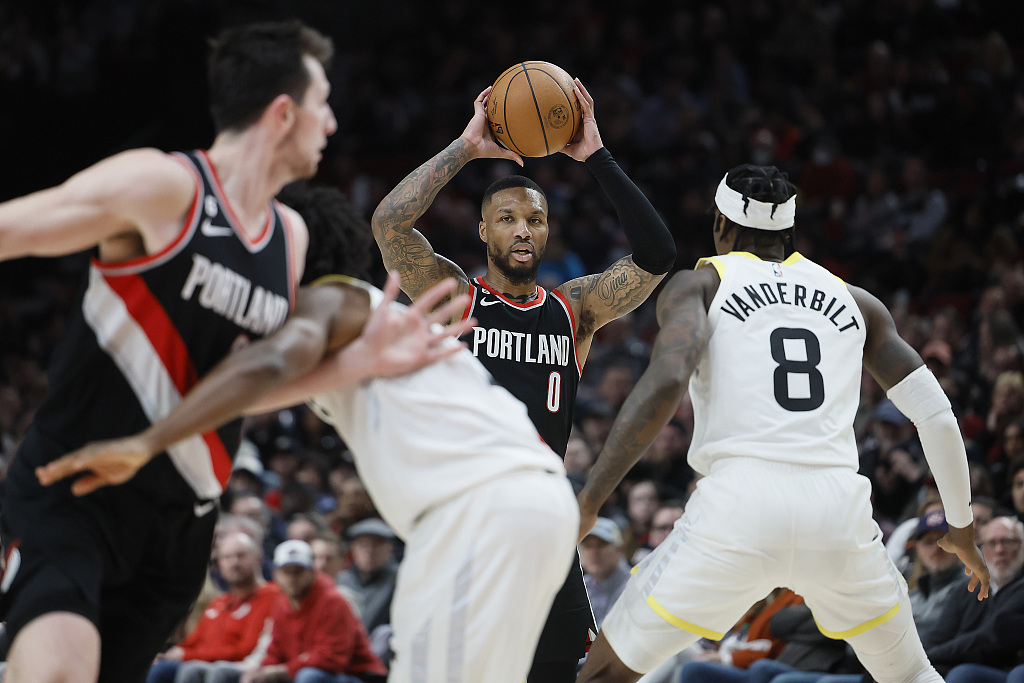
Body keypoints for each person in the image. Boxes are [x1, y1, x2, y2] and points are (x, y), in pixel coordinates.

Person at [36, 184, 580, 683]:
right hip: (534, 503)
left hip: (478, 508)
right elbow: (256, 390)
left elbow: (269, 365)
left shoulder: (338, 298)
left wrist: (145, 443)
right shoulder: (354, 324)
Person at [0, 20, 338, 683]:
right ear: (282, 112)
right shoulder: (165, 186)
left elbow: (251, 386)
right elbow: (12, 229)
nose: (331, 123)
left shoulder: (290, 239)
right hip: (77, 492)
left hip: (178, 530)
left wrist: (369, 358)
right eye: (323, 103)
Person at [575, 164, 990, 683]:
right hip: (837, 513)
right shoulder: (856, 300)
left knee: (603, 675)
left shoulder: (701, 284)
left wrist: (589, 500)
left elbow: (667, 381)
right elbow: (937, 415)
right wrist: (961, 528)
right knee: (911, 676)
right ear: (789, 230)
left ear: (721, 224)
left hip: (737, 508)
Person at [370, 80, 676, 683]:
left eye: (534, 219)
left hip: (542, 522)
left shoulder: (574, 309)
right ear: (484, 231)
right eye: (506, 219)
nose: (522, 230)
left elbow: (657, 254)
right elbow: (389, 225)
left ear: (546, 232)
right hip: (468, 521)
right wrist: (464, 148)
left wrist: (596, 157)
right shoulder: (457, 299)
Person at [241, 540, 386, 683]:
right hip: (304, 672)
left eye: (298, 572)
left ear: (311, 572)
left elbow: (331, 658)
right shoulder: (281, 603)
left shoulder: (333, 600)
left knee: (309, 676)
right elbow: (275, 650)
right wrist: (261, 670)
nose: (292, 578)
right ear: (276, 574)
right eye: (286, 572)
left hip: (355, 675)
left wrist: (285, 670)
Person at [146, 532, 282, 683]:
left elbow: (245, 650)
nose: (234, 563)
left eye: (241, 556)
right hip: (202, 664)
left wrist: (187, 656)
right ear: (219, 563)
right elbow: (192, 642)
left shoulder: (271, 597)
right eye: (227, 557)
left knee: (192, 670)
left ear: (258, 558)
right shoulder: (219, 602)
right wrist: (173, 654)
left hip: (231, 668)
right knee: (156, 665)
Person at [922, 516, 1024, 675]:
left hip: (1003, 670)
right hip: (961, 663)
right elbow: (938, 635)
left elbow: (988, 638)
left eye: (1007, 542)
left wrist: (927, 658)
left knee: (962, 674)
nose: (999, 550)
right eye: (991, 543)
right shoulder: (965, 590)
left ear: (1022, 546)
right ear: (980, 550)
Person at [337, 518, 398, 637]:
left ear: (390, 548)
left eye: (376, 545)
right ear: (353, 548)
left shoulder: (398, 579)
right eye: (363, 545)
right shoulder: (341, 580)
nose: (369, 551)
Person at [580, 518, 631, 628]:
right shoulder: (583, 585)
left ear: (620, 549)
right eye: (588, 546)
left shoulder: (634, 585)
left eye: (601, 545)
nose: (594, 552)